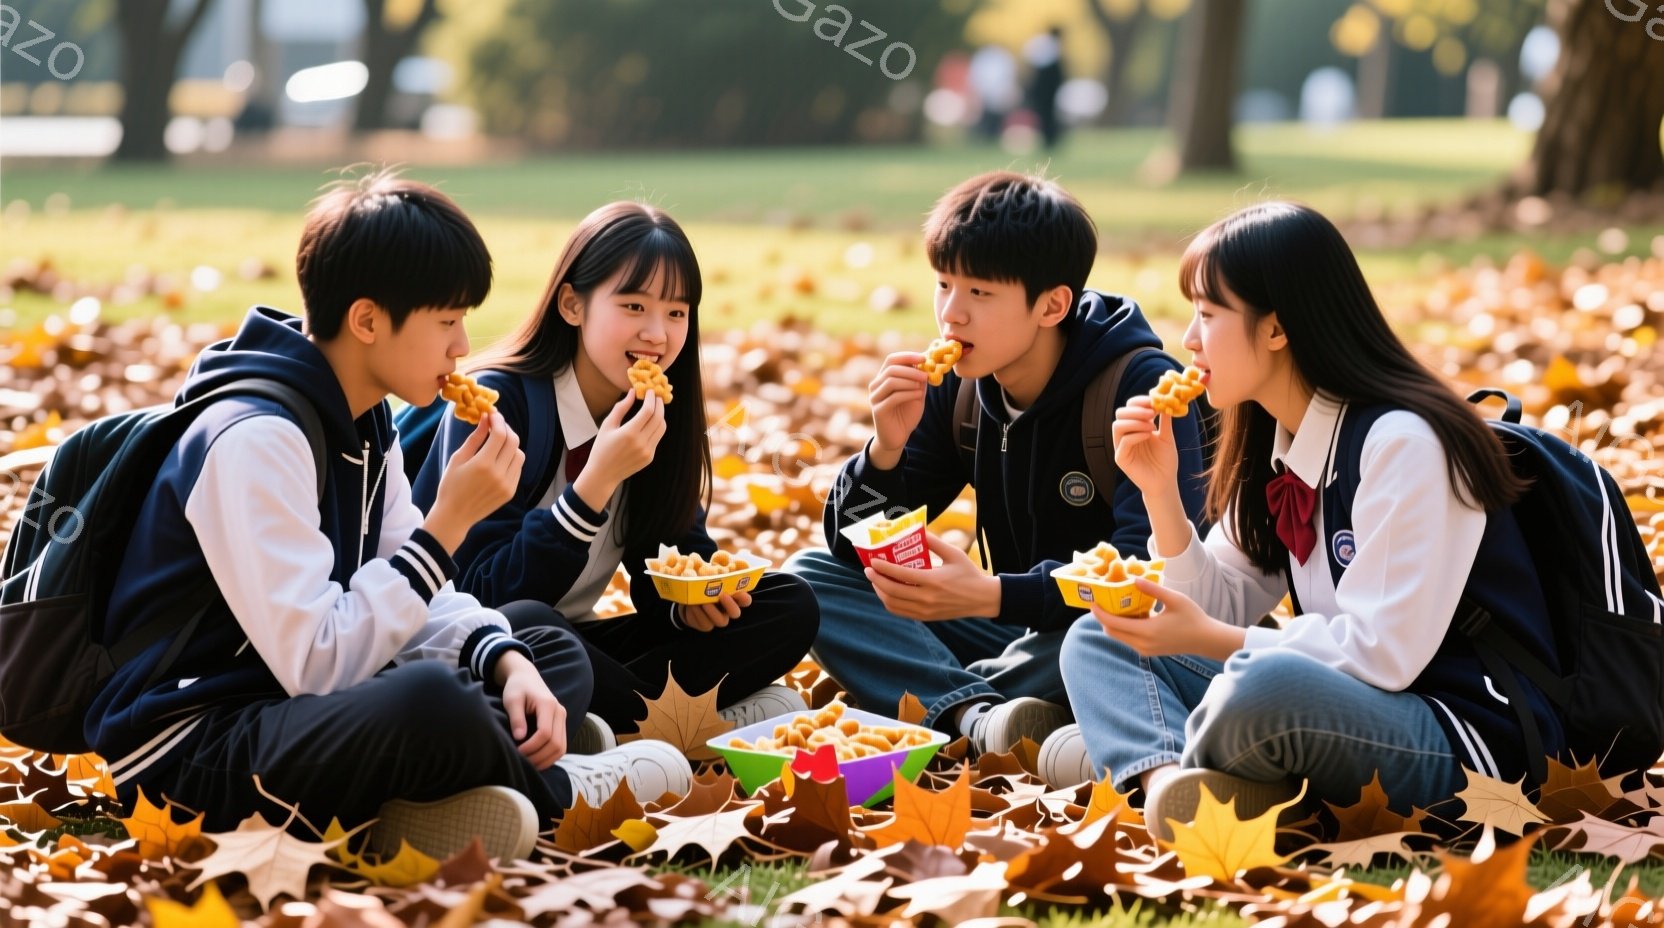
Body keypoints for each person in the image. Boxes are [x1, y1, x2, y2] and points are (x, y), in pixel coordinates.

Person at [87, 171, 691, 864]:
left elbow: (408, 588)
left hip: (303, 704)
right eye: (446, 321)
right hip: (192, 745)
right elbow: (318, 659)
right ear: (369, 321)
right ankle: (559, 788)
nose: (464, 345)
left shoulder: (363, 416)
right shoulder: (254, 438)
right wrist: (449, 525)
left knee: (537, 642)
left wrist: (504, 659)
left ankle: (445, 792)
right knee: (432, 699)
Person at [1047, 201, 1566, 841]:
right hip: (1335, 706)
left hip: (1456, 733)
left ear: (1277, 328)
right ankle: (1173, 791)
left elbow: (1382, 656)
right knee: (1099, 639)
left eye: (1208, 315)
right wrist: (1159, 494)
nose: (1186, 340)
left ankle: (1125, 754)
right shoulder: (1276, 439)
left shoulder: (1402, 443)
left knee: (1263, 685)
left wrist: (1214, 644)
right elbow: (1221, 602)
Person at [785, 171, 1208, 763]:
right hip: (1013, 628)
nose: (950, 316)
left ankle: (945, 694)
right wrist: (883, 451)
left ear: (1053, 304)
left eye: (979, 293)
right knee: (810, 578)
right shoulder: (958, 387)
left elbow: (1148, 574)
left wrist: (989, 596)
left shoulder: (1140, 387)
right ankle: (979, 716)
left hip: (1110, 636)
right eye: (942, 285)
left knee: (1088, 642)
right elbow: (853, 549)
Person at [412, 202, 820, 741]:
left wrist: (696, 605)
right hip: (483, 650)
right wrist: (593, 487)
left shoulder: (653, 410)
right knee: (529, 619)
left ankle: (616, 724)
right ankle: (681, 727)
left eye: (677, 313)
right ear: (572, 305)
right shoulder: (501, 405)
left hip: (582, 652)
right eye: (633, 305)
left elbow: (664, 565)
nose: (658, 333)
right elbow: (479, 594)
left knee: (789, 604)